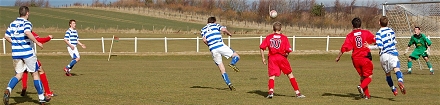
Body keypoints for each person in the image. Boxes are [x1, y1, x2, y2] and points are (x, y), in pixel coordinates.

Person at [3, 6, 50, 104]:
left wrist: (15, 43)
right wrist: (37, 42)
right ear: (27, 13)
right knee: (35, 74)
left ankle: (8, 89)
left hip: (16, 53)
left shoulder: (12, 24)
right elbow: (27, 32)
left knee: (18, 75)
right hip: (27, 53)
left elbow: (6, 36)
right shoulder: (27, 23)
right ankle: (41, 98)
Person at [259, 22, 305, 99]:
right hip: (281, 57)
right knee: (290, 75)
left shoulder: (269, 37)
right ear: (280, 29)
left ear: (273, 29)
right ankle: (298, 93)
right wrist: (286, 55)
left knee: (272, 76)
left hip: (272, 58)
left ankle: (270, 92)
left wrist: (263, 58)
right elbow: (288, 50)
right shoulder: (284, 38)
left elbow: (261, 47)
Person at [335, 17, 375, 99]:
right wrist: (373, 45)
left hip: (355, 59)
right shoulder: (366, 33)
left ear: (352, 25)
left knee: (363, 77)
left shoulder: (350, 35)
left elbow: (344, 47)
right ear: (360, 24)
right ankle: (361, 87)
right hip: (365, 57)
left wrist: (338, 57)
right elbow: (376, 40)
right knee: (369, 77)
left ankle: (367, 95)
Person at [200, 17, 240, 91]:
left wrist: (209, 46)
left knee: (222, 69)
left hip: (213, 49)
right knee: (236, 56)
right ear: (214, 21)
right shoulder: (216, 25)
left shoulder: (203, 29)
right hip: (220, 45)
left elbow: (204, 40)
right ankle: (232, 63)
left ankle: (229, 84)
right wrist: (229, 33)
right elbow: (223, 29)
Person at [372, 16, 406, 96]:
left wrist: (369, 46)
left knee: (387, 74)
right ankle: (400, 80)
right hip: (392, 53)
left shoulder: (379, 33)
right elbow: (394, 42)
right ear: (388, 23)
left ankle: (393, 89)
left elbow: (379, 46)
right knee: (397, 69)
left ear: (379, 23)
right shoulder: (391, 31)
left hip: (384, 55)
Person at [21, 31, 55, 97]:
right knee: (40, 71)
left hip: (19, 55)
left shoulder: (17, 31)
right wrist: (49, 37)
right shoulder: (28, 31)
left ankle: (24, 86)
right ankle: (47, 92)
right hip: (29, 55)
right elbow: (39, 40)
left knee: (24, 70)